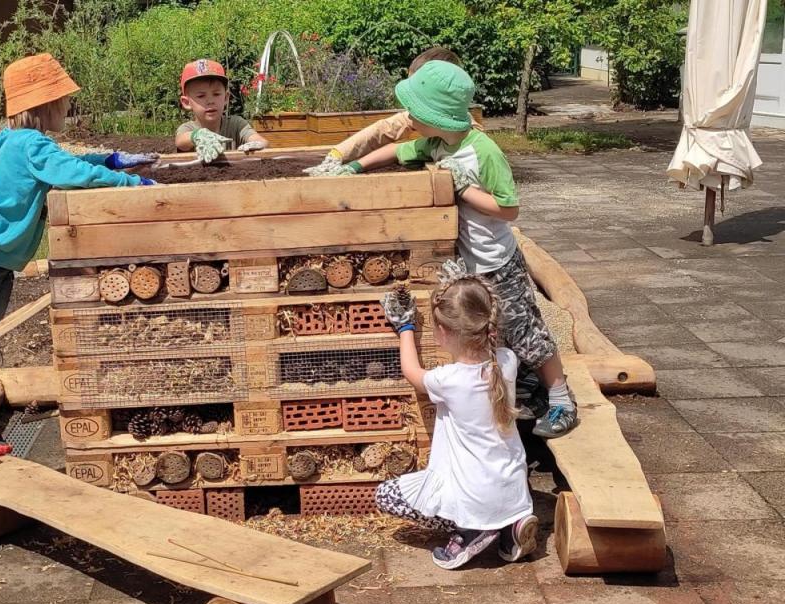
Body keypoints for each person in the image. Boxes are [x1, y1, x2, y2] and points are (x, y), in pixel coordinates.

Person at [336, 61, 578, 438]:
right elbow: (398, 152)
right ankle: (519, 388)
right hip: (470, 265)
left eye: (416, 110)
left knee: (526, 331)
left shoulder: (484, 152)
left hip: (499, 261)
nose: (410, 116)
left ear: (438, 116)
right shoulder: (436, 145)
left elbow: (509, 208)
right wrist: (352, 168)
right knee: (490, 332)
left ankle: (562, 398)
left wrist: (465, 191)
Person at [0, 53, 156, 463]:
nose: (68, 107)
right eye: (62, 100)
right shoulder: (29, 143)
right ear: (43, 104)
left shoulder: (22, 143)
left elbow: (69, 164)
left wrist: (109, 158)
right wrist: (129, 180)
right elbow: (75, 175)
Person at [377, 270, 538, 568]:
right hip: (514, 492)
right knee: (493, 497)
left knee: (386, 496)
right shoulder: (507, 362)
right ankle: (510, 529)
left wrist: (406, 327)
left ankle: (469, 532)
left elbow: (412, 372)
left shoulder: (448, 380)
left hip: (475, 498)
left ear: (444, 333)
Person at [304, 46, 469, 177]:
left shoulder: (469, 142)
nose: (410, 112)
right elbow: (384, 130)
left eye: (416, 95)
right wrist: (338, 154)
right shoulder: (425, 128)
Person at [175, 59, 268, 162]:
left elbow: (259, 140)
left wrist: (258, 144)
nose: (210, 101)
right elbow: (180, 141)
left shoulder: (236, 125)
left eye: (216, 94)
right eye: (201, 96)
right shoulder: (188, 128)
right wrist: (197, 135)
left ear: (226, 98)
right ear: (186, 103)